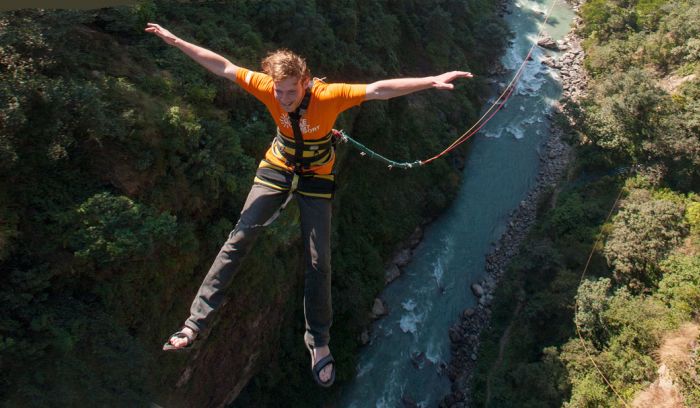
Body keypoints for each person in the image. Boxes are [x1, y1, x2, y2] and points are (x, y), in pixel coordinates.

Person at [145, 22, 472, 387]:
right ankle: (196, 323)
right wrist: (175, 41)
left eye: (290, 91)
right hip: (278, 167)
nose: (283, 98)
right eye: (279, 91)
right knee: (239, 238)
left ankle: (318, 341)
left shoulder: (330, 96)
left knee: (319, 261)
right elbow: (222, 66)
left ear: (306, 82)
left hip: (316, 176)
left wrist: (431, 80)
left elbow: (379, 89)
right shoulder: (268, 88)